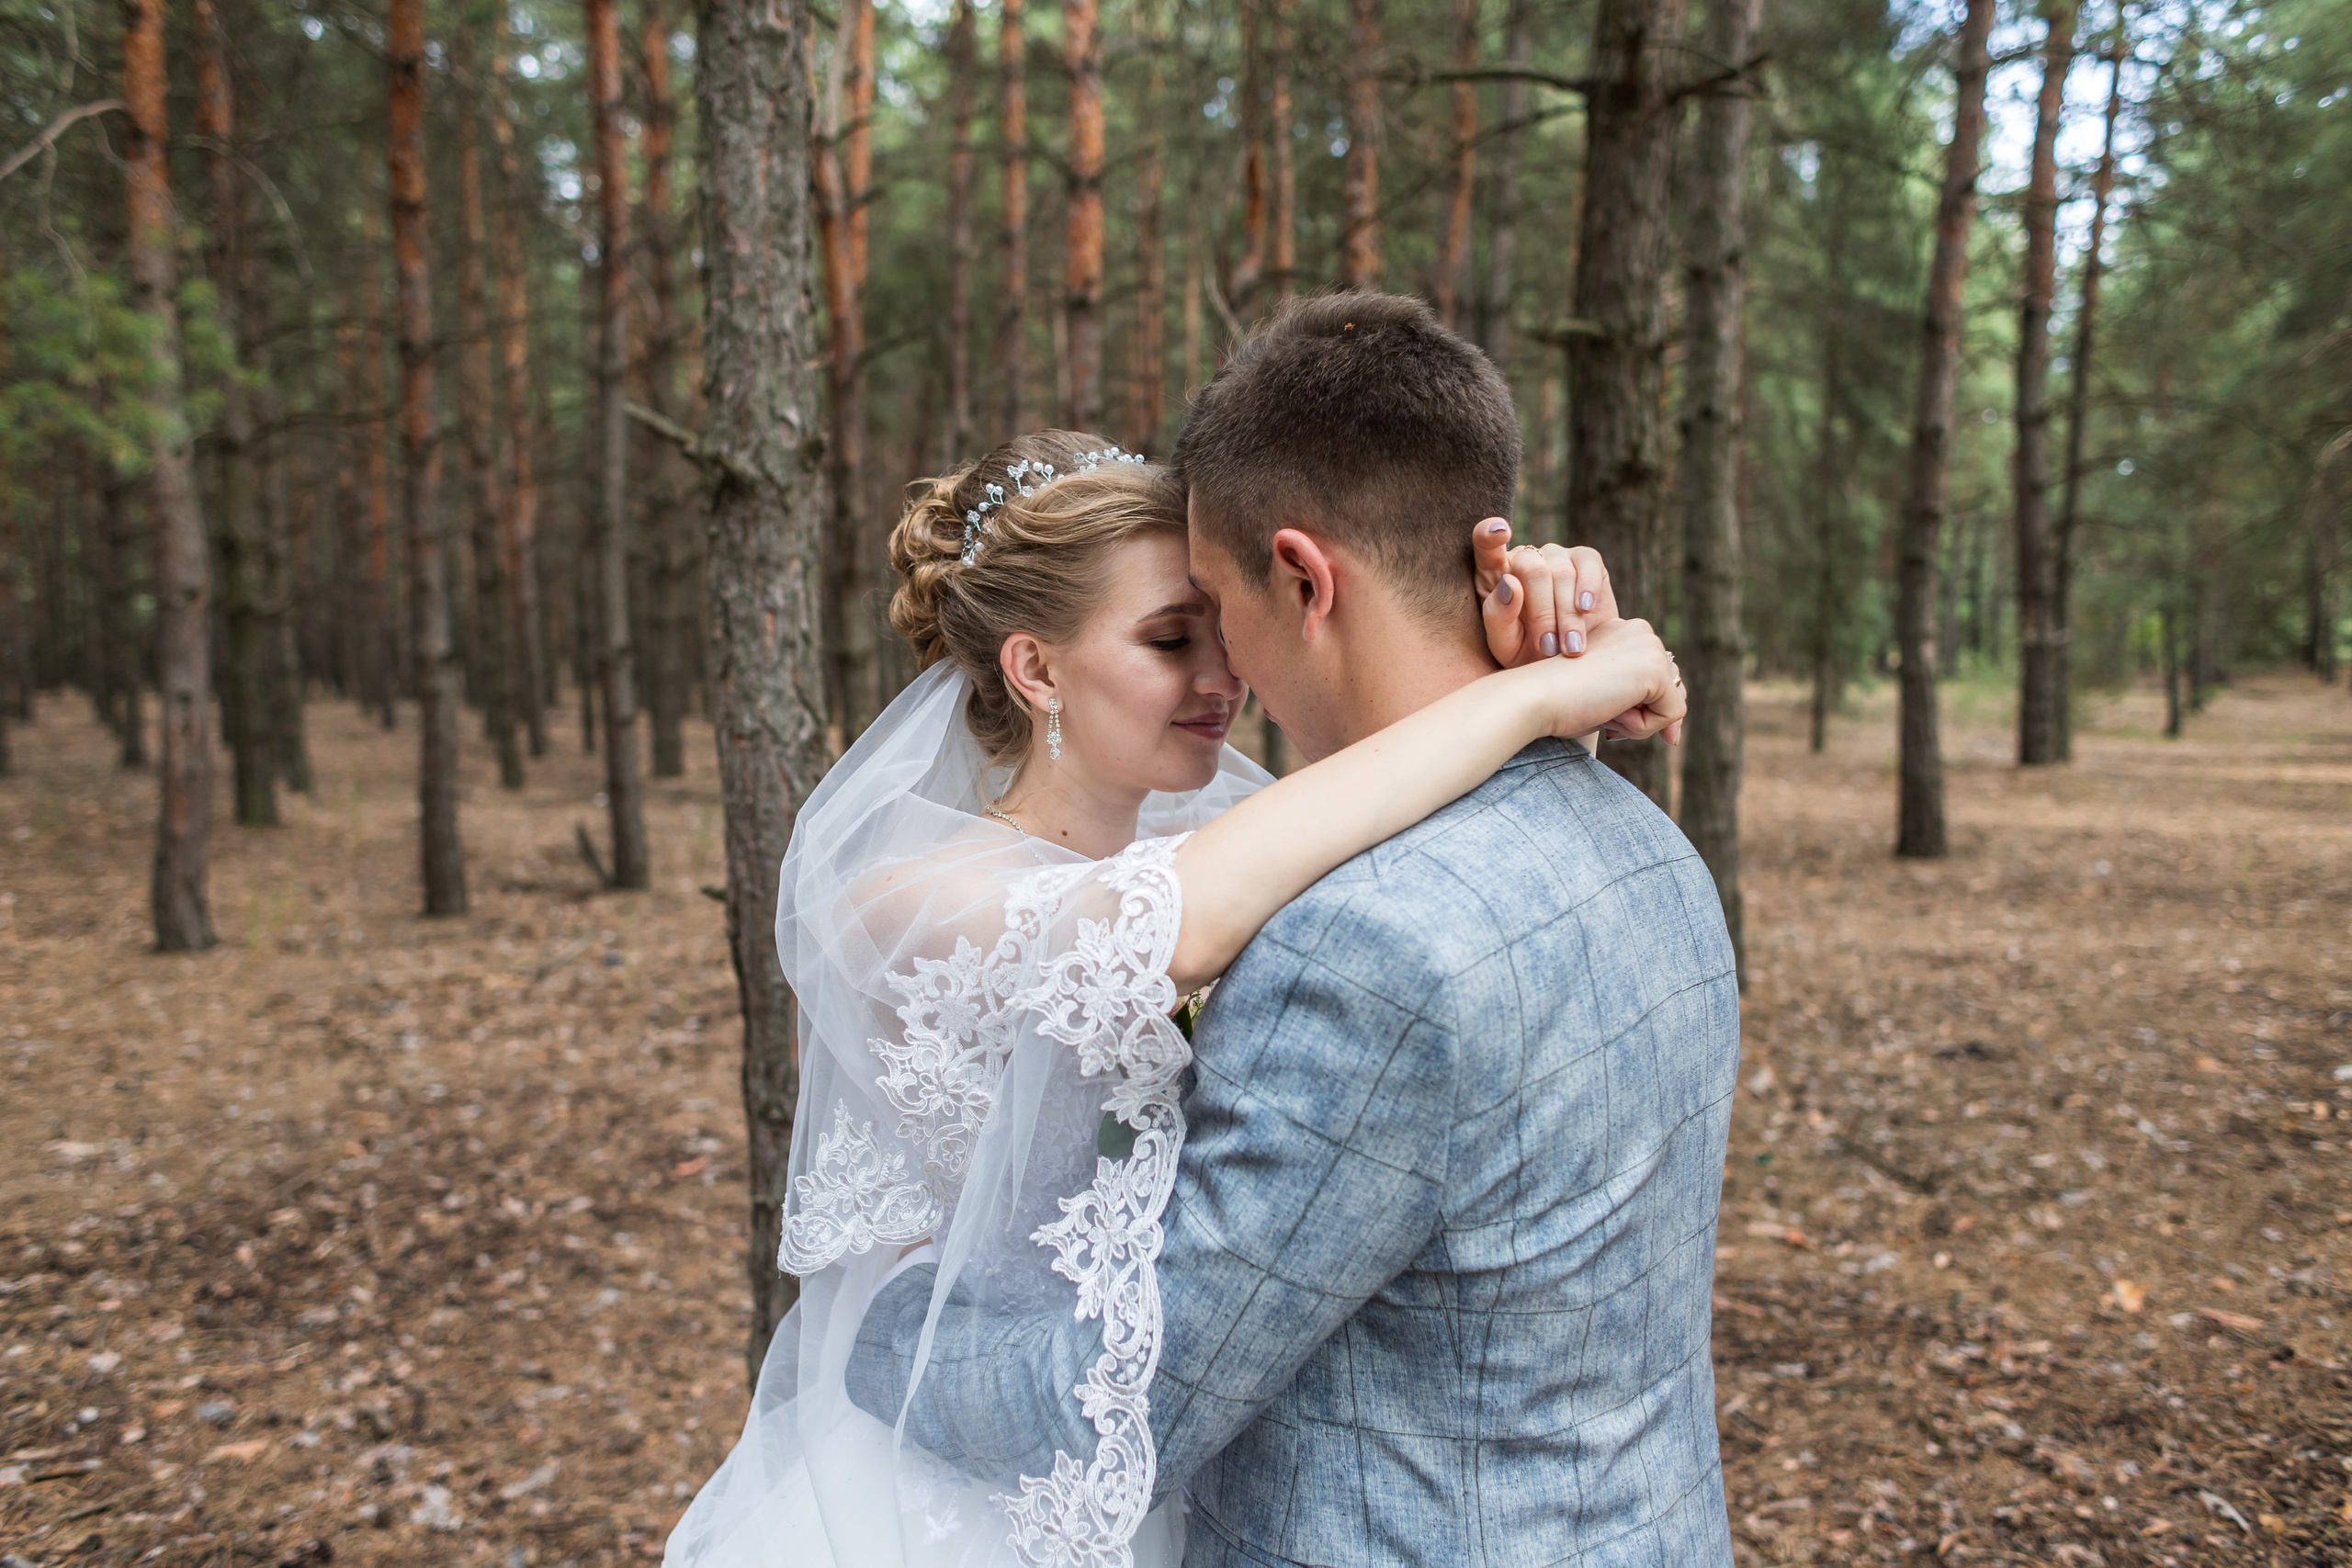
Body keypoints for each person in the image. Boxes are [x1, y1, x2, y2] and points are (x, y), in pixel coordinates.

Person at [662, 412, 1687, 1565]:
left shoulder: (1219, 840)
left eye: (1219, 629)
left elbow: (1432, 886)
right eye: (1166, 640)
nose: (1222, 677)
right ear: (1034, 668)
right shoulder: (912, 900)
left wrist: (1524, 648)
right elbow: (1181, 922)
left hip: (1189, 1433)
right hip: (980, 1456)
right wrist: (1536, 698)